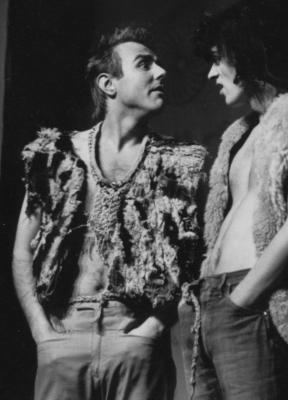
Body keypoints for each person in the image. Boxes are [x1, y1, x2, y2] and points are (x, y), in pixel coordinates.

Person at [12, 25, 207, 400]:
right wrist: (41, 332)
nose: (161, 72)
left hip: (135, 335)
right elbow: (22, 248)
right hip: (63, 332)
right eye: (145, 64)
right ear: (108, 84)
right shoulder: (55, 155)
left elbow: (193, 257)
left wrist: (152, 329)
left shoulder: (179, 164)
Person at [179, 2, 288, 399]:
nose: (211, 73)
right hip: (210, 300)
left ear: (243, 52)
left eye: (217, 59)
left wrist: (242, 299)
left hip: (252, 299)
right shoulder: (241, 133)